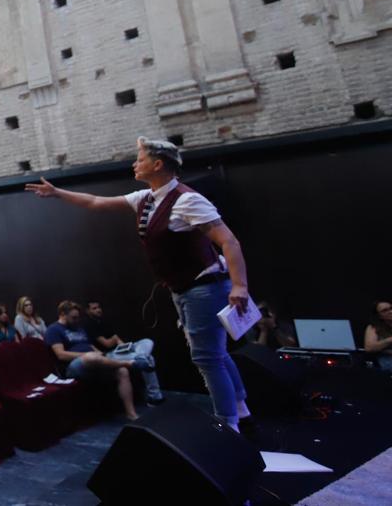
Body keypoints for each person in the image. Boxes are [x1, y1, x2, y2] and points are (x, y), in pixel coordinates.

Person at [27, 137, 252, 429]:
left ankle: (228, 424)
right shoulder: (145, 199)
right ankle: (241, 409)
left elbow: (228, 241)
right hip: (183, 289)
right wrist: (57, 192)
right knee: (215, 354)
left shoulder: (187, 200)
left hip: (205, 287)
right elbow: (96, 202)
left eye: (140, 158)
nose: (135, 163)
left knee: (207, 358)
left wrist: (239, 286)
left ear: (158, 164)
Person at [46, 301, 145, 420]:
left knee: (122, 371)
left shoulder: (78, 327)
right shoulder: (53, 329)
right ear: (62, 314)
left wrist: (99, 353)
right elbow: (61, 355)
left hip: (94, 361)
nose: (77, 320)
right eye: (74, 318)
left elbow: (89, 344)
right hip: (73, 367)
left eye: (78, 317)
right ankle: (128, 363)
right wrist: (88, 355)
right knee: (91, 357)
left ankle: (131, 413)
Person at [83, 300, 164, 402]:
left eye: (99, 307)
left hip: (118, 351)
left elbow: (118, 341)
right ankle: (155, 397)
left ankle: (141, 356)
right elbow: (107, 344)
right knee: (149, 358)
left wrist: (126, 347)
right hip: (108, 356)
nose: (98, 310)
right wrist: (116, 339)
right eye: (94, 308)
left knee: (147, 341)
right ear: (87, 311)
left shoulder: (103, 321)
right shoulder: (88, 325)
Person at [364, 301, 392, 373]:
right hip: (387, 362)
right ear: (379, 316)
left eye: (391, 308)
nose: (390, 311)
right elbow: (369, 348)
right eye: (385, 310)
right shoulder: (374, 327)